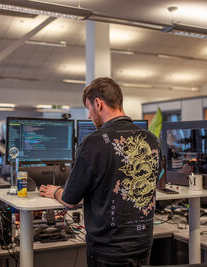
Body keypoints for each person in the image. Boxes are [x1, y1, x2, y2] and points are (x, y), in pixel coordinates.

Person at [39, 77, 160, 267]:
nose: (88, 116)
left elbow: (70, 200)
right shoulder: (151, 139)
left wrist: (55, 191)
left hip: (108, 250)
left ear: (98, 103)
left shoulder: (93, 142)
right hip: (143, 244)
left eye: (88, 108)